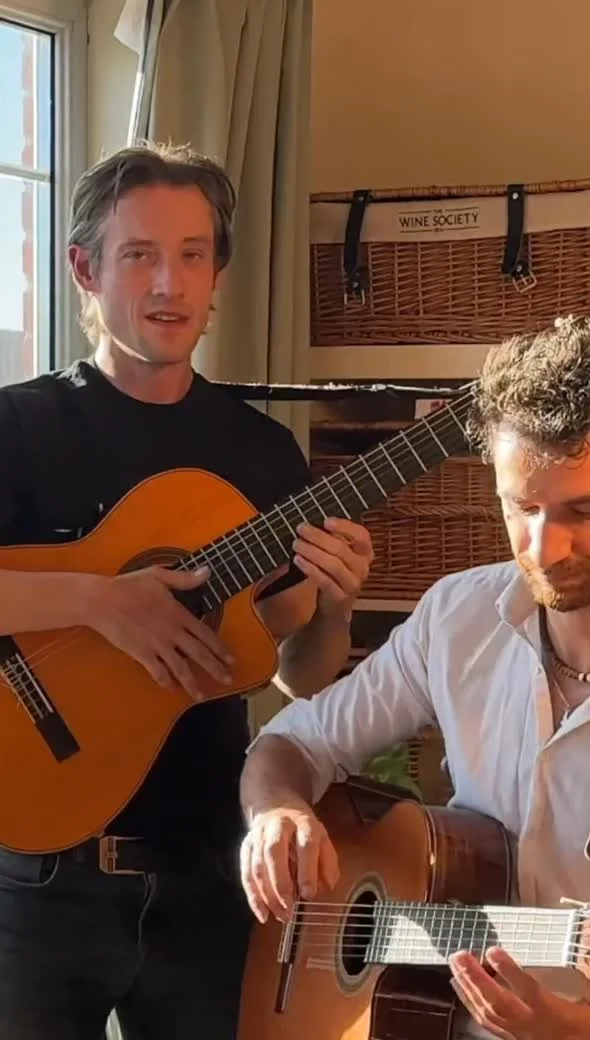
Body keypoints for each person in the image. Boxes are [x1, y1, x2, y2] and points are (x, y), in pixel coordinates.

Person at [0, 140, 373, 1039]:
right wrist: (98, 601)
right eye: (140, 255)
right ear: (85, 269)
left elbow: (297, 675)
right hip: (38, 877)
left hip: (209, 873)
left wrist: (335, 605)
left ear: (217, 276)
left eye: (193, 255)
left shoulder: (264, 455)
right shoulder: (20, 426)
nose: (170, 284)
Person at [240, 313, 590, 1040]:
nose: (543, 547)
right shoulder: (460, 615)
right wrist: (277, 811)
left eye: (582, 510)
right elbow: (291, 743)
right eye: (521, 507)